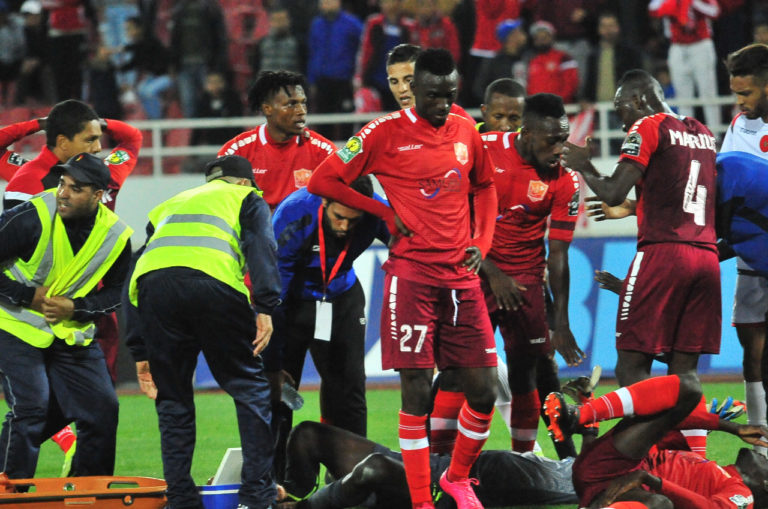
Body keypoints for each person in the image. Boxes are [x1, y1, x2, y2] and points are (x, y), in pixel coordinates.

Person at [308, 48, 498, 509]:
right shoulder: (382, 132)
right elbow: (322, 180)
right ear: (416, 89)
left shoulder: (465, 127)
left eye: (450, 94)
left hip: (461, 278)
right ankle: (420, 501)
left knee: (484, 390)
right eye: (434, 95)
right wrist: (383, 212)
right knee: (416, 389)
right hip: (411, 277)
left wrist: (483, 241)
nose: (443, 103)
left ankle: (456, 478)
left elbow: (485, 185)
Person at [562, 69, 719, 457]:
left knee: (633, 367)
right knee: (685, 375)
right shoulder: (702, 132)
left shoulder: (647, 126)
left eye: (620, 110)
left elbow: (613, 190)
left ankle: (648, 460)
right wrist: (640, 207)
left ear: (636, 100)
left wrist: (584, 165)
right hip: (706, 257)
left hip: (662, 253)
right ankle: (692, 463)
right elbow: (684, 194)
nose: (621, 121)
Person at [127, 155, 281, 509]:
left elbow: (138, 267)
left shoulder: (170, 205)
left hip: (154, 290)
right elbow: (262, 246)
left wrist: (139, 349)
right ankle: (257, 496)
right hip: (214, 286)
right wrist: (266, 306)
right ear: (245, 182)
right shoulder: (247, 198)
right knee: (250, 388)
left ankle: (180, 498)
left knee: (173, 399)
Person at [0, 152, 132, 479]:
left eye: (76, 188)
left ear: (98, 195)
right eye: (62, 183)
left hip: (70, 330)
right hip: (14, 324)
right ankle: (9, 493)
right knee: (32, 407)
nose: (63, 193)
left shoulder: (116, 235)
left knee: (102, 408)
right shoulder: (32, 215)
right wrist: (27, 295)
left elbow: (116, 292)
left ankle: (88, 493)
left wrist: (76, 307)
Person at [478, 93, 583, 456]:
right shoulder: (485, 148)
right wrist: (492, 273)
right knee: (463, 374)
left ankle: (525, 460)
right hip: (476, 271)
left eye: (564, 139)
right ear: (527, 133)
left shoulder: (566, 180)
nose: (560, 149)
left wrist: (561, 323)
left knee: (527, 374)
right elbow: (454, 217)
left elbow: (559, 254)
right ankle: (442, 463)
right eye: (552, 140)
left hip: (525, 282)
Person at [265, 175, 390, 479]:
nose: (345, 227)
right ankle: (273, 483)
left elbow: (409, 247)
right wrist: (273, 363)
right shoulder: (293, 212)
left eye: (353, 220)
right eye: (338, 217)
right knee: (277, 392)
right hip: (291, 303)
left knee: (349, 392)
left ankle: (351, 480)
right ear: (324, 200)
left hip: (342, 297)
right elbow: (275, 290)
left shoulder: (379, 210)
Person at [544, 374, 768, 508]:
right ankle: (584, 415)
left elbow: (711, 508)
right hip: (609, 466)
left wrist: (652, 480)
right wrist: (731, 427)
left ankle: (582, 415)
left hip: (613, 489)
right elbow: (671, 418)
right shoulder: (707, 466)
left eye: (767, 462)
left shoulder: (742, 494)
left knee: (660, 504)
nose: (764, 456)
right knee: (688, 393)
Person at [276, 420, 578, 509]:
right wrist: (577, 429)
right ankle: (288, 492)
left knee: (375, 467)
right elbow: (586, 460)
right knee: (306, 434)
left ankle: (304, 508)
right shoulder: (587, 464)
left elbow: (591, 485)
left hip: (442, 492)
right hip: (440, 465)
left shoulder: (572, 485)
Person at [721, 43, 768, 451]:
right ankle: (761, 443)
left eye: (747, 93)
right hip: (752, 252)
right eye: (736, 93)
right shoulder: (740, 126)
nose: (740, 102)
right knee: (752, 349)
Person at [218, 70, 336, 211]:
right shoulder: (237, 151)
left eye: (303, 103)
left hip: (303, 224)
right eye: (291, 104)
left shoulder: (323, 151)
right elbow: (222, 203)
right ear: (267, 109)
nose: (301, 111)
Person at [648, 0, 721, 129]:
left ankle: (714, 134)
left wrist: (691, 2)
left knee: (708, 94)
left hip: (701, 44)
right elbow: (653, 8)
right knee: (682, 97)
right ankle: (686, 135)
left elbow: (714, 11)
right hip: (677, 46)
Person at [307, 0, 363, 140]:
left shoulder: (352, 23)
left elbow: (363, 49)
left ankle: (348, 152)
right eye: (323, 2)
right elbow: (312, 52)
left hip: (344, 80)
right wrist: (312, 80)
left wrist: (357, 76)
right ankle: (325, 151)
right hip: (322, 81)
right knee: (323, 122)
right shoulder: (316, 24)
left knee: (346, 121)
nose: (326, 5)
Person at [385, 43, 474, 122]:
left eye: (409, 80)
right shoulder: (388, 127)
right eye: (394, 82)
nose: (401, 89)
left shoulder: (460, 121)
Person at [355, 0, 414, 112]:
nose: (387, 5)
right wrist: (360, 77)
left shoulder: (409, 25)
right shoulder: (373, 23)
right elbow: (365, 50)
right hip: (377, 80)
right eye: (384, 2)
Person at [526, 21, 579, 105]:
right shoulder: (531, 60)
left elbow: (571, 85)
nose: (541, 40)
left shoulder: (564, 57)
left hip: (559, 108)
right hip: (536, 109)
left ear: (552, 37)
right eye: (537, 38)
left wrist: (558, 102)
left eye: (544, 37)